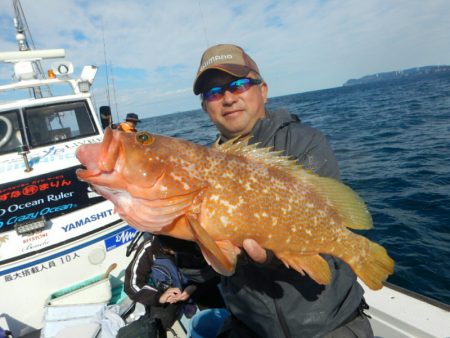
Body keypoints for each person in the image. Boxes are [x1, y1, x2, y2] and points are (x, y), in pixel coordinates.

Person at [192, 44, 373, 338]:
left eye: (238, 84)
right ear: (205, 107)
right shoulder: (202, 166)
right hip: (250, 327)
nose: (227, 98)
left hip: (328, 324)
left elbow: (329, 230)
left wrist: (272, 255)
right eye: (213, 92)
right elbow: (207, 262)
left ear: (262, 90)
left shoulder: (304, 143)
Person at [124, 234, 224, 336]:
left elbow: (217, 272)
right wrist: (159, 297)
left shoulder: (196, 241)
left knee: (220, 318)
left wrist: (195, 286)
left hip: (197, 288)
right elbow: (131, 284)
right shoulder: (149, 248)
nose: (175, 252)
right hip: (166, 297)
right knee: (156, 326)